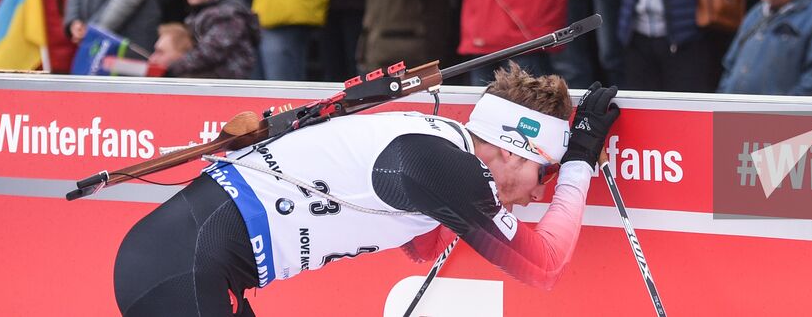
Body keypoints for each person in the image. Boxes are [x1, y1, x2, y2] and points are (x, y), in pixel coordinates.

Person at [114, 67, 620, 314]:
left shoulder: (438, 152)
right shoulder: (443, 166)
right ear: (511, 150)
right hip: (185, 265)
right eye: (545, 173)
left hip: (180, 259)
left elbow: (419, 248)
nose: (539, 194)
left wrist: (480, 216)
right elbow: (544, 266)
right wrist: (578, 165)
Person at [151, 0, 261, 80]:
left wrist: (175, 67)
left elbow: (211, 52)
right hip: (209, 73)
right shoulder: (196, 16)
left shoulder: (227, 17)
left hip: (227, 77)